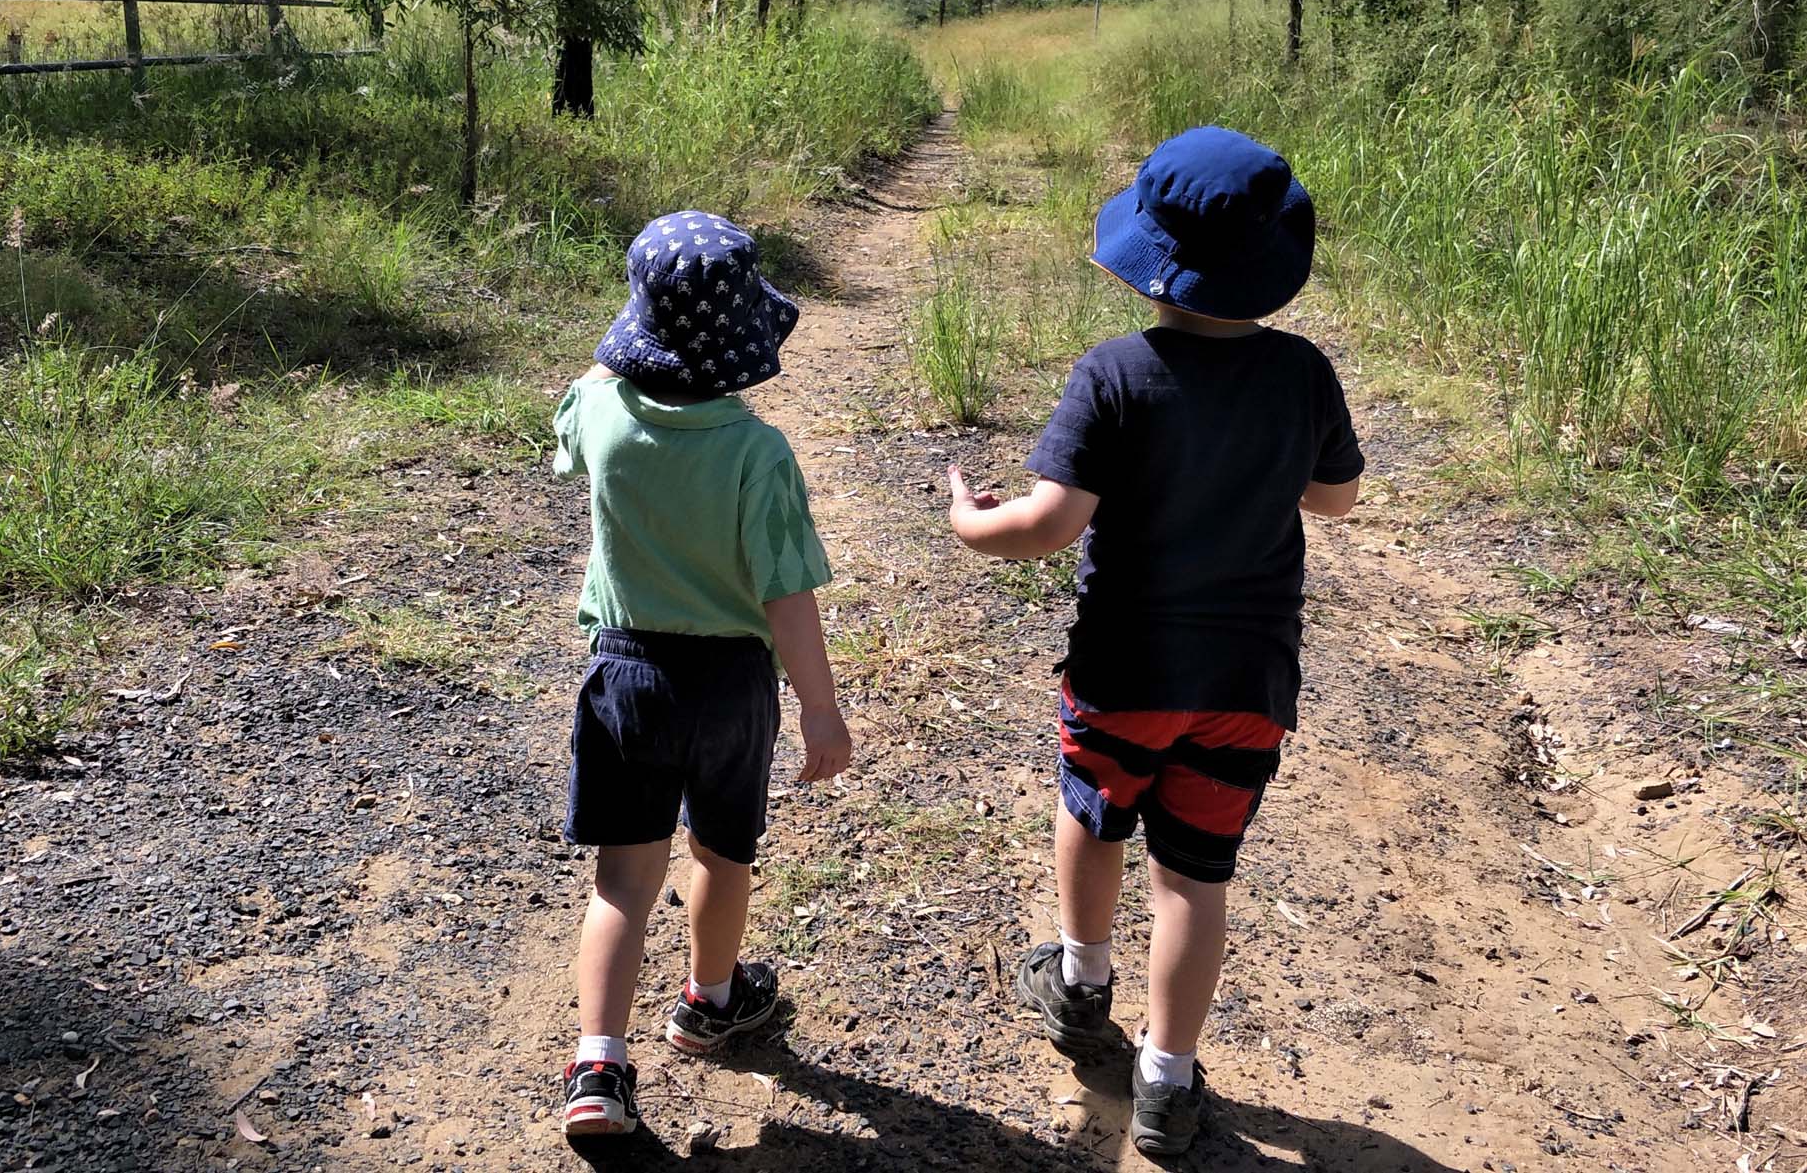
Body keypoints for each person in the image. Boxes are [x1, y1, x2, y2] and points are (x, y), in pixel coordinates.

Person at [946, 127, 1363, 1159]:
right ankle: (1167, 1084)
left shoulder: (1116, 373)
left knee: (1090, 818)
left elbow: (1045, 525)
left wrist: (963, 516)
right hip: (1244, 681)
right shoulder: (1300, 373)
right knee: (1194, 876)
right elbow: (1338, 496)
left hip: (1122, 674)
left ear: (1151, 264)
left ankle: (1081, 981)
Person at [552, 211, 853, 1138]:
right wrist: (821, 711)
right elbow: (787, 598)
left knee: (621, 881)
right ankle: (710, 1000)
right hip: (729, 687)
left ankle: (597, 1066)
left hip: (625, 676)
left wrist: (632, 343)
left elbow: (580, 400)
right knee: (722, 853)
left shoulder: (597, 414)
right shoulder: (757, 453)